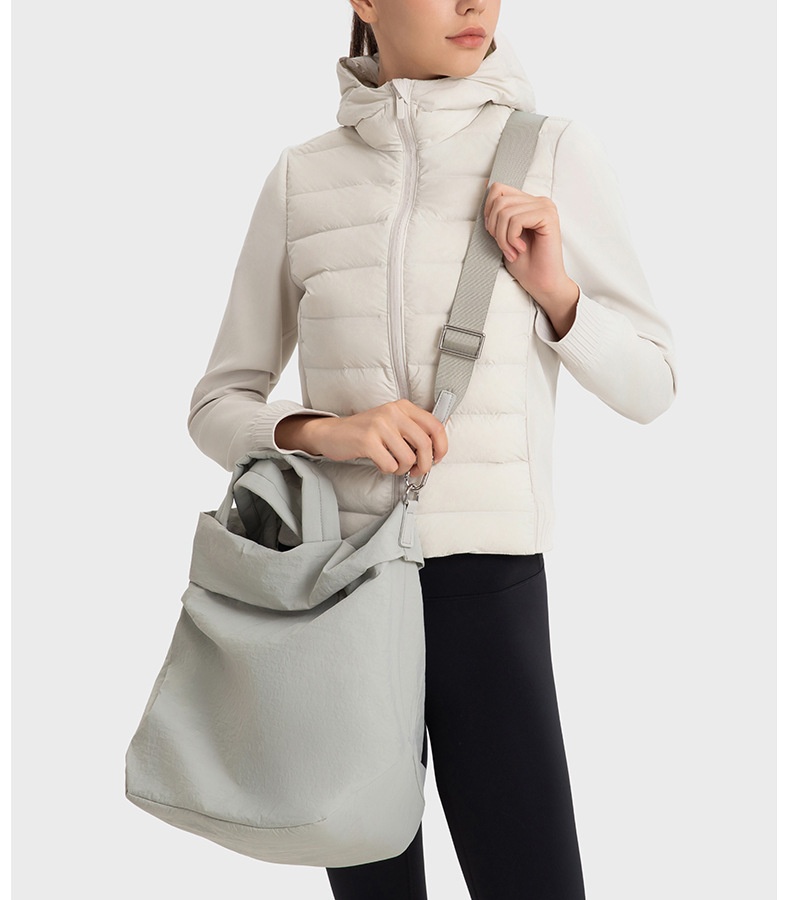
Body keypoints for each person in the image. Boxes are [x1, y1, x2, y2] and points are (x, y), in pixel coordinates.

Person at [187, 1, 678, 897]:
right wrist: (328, 432)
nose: (474, 3)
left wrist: (558, 293)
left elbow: (653, 384)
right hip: (338, 596)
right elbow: (219, 403)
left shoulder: (548, 153)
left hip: (488, 591)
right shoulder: (302, 179)